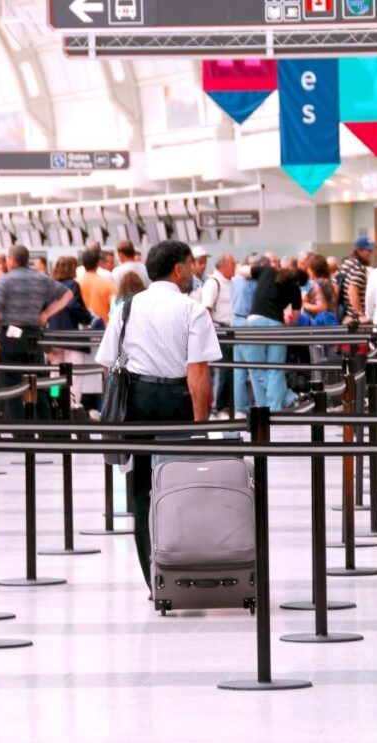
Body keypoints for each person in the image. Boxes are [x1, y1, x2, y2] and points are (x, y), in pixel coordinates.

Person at [95, 240, 221, 590]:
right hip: (176, 399)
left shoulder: (127, 307)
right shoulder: (191, 310)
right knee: (181, 484)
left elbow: (108, 364)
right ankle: (182, 571)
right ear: (178, 270)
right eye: (191, 266)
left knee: (141, 491)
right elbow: (197, 372)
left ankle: (154, 579)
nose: (195, 272)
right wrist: (200, 427)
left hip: (135, 401)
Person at [0, 245, 73, 419]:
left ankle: (22, 433)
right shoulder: (40, 278)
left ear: (12, 260)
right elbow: (67, 295)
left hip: (11, 337)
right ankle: (47, 430)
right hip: (34, 337)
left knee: (10, 384)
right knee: (37, 383)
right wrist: (46, 314)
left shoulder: (6, 280)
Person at [245, 263, 305, 412]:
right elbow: (296, 317)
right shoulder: (294, 288)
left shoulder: (267, 270)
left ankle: (262, 407)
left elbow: (244, 271)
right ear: (298, 281)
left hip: (254, 321)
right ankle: (279, 403)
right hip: (276, 324)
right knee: (275, 368)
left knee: (256, 367)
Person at [45, 255, 94, 410]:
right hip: (71, 338)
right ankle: (72, 407)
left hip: (53, 337)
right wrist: (87, 317)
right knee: (74, 376)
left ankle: (54, 402)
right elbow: (72, 305)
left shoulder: (50, 285)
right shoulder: (72, 284)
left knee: (55, 375)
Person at [201, 253, 236, 415]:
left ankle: (226, 403)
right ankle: (216, 405)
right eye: (232, 264)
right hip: (219, 332)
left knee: (229, 370)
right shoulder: (213, 283)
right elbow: (206, 309)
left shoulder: (230, 282)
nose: (235, 268)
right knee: (220, 371)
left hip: (231, 331)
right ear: (223, 265)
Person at [229, 256, 261, 417]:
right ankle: (262, 406)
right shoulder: (253, 282)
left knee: (239, 369)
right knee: (254, 368)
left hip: (234, 321)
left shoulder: (234, 280)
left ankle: (240, 406)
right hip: (247, 323)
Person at [337, 236, 374, 322]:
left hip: (344, 314)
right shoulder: (359, 268)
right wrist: (360, 314)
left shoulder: (346, 263)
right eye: (368, 251)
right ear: (359, 250)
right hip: (355, 319)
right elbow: (352, 291)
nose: (370, 254)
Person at [77, 248, 114, 325]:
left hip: (82, 328)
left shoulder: (76, 283)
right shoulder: (107, 282)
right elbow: (115, 306)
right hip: (103, 327)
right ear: (98, 263)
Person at [302, 253, 338, 323]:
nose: (308, 272)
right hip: (332, 321)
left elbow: (322, 307)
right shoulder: (332, 283)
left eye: (309, 269)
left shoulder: (317, 286)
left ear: (314, 270)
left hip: (320, 324)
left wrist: (305, 304)